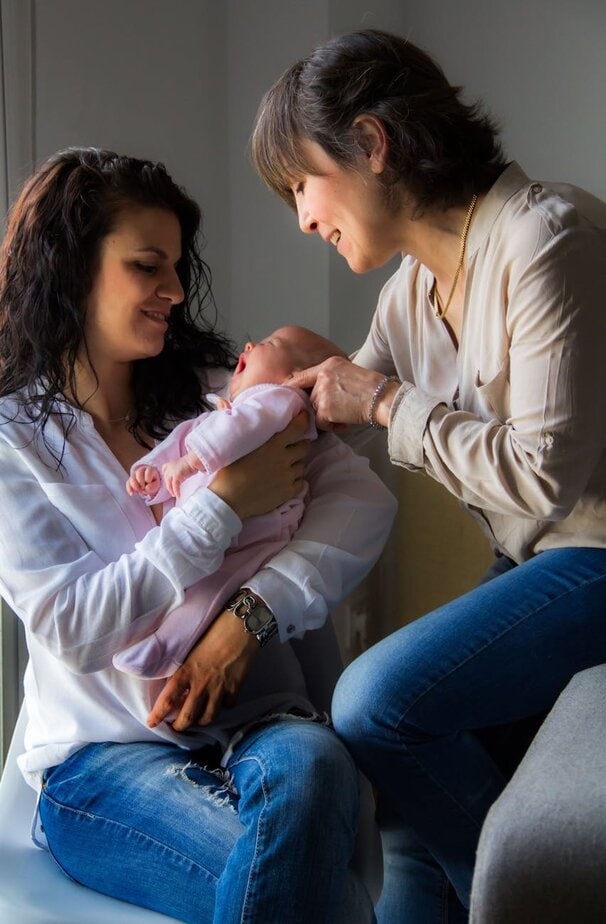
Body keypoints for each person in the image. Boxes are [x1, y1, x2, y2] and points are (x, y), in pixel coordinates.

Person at [251, 26, 606, 924]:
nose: (303, 218)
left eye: (303, 184)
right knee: (401, 807)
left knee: (372, 701)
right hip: (539, 564)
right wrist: (244, 427)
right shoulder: (412, 293)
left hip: (594, 552)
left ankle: (530, 904)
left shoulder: (547, 239)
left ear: (370, 144)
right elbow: (343, 424)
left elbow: (539, 481)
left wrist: (375, 399)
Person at [0, 147, 397, 923]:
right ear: (73, 267)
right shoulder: (14, 440)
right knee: (329, 894)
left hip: (260, 724)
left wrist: (247, 621)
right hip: (102, 762)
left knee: (317, 767)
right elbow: (73, 627)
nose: (175, 292)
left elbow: (361, 501)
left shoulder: (226, 397)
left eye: (177, 267)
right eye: (147, 266)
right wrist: (220, 507)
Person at [115, 325, 347, 680]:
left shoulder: (281, 401)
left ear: (296, 377)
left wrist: (190, 462)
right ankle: (164, 644)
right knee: (203, 591)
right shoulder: (235, 409)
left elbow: (238, 430)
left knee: (211, 592)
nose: (251, 343)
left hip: (257, 529)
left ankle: (167, 648)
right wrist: (159, 474)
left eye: (270, 343)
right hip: (236, 523)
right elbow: (191, 437)